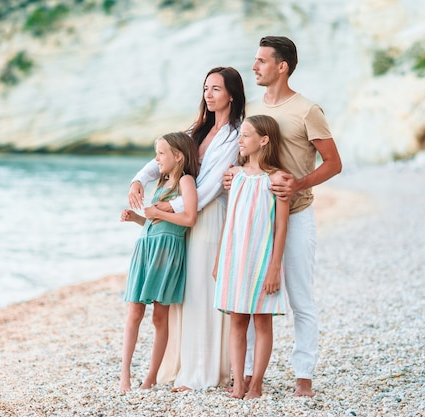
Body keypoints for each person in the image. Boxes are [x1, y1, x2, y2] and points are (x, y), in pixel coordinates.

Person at [224, 36, 342, 397]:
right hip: (254, 221)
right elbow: (248, 154)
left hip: (298, 213)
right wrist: (233, 172)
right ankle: (242, 377)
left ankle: (303, 376)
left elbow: (334, 163)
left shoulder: (307, 110)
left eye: (261, 61)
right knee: (246, 295)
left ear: (282, 67)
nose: (255, 67)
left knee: (300, 298)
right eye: (255, 60)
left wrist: (298, 185)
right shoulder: (255, 108)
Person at [128, 66, 246, 391]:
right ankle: (181, 365)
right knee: (183, 295)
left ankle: (202, 373)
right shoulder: (197, 129)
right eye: (206, 88)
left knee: (200, 294)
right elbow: (164, 157)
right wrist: (139, 179)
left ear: (232, 95)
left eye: (217, 89)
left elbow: (208, 187)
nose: (208, 94)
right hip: (185, 219)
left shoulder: (235, 135)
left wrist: (168, 207)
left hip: (208, 217)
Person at [212, 115, 289, 399]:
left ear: (264, 140)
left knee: (262, 321)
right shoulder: (236, 176)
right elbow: (229, 221)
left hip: (262, 261)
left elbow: (281, 228)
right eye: (240, 135)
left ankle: (256, 382)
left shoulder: (278, 179)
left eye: (245, 136)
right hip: (236, 259)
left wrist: (274, 269)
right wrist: (220, 259)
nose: (240, 140)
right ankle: (239, 382)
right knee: (237, 321)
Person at [119, 131, 199, 392]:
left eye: (161, 153)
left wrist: (156, 213)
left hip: (166, 255)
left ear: (178, 156)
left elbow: (189, 219)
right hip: (145, 249)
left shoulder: (186, 181)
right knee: (134, 313)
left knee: (159, 318)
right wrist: (138, 219)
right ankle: (125, 376)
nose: (156, 159)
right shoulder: (161, 183)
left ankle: (151, 376)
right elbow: (154, 223)